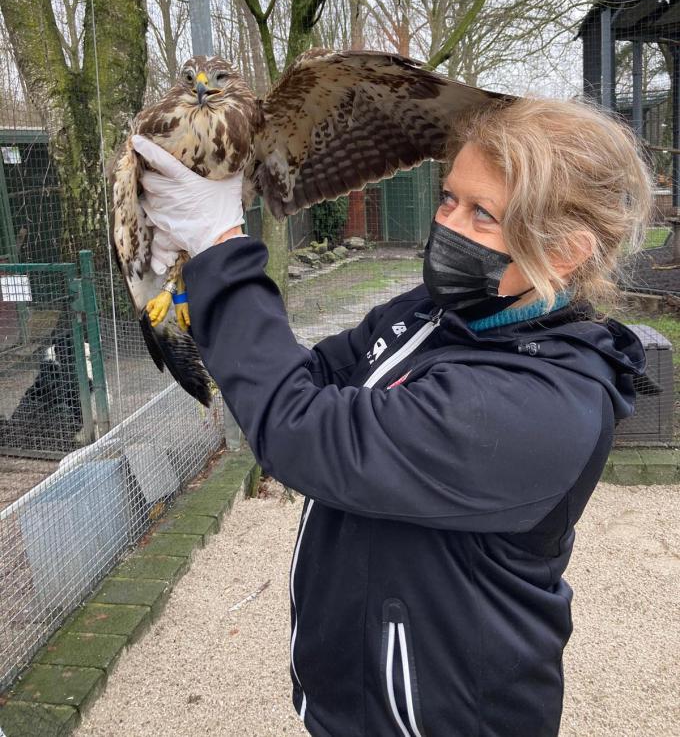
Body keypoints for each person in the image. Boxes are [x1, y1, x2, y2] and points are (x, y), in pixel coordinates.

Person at [132, 94, 652, 737]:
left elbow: (304, 431)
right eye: (448, 198)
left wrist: (220, 244)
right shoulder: (441, 312)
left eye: (483, 214)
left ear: (566, 252)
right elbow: (312, 378)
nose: (449, 226)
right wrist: (198, 292)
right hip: (358, 704)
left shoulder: (538, 407)